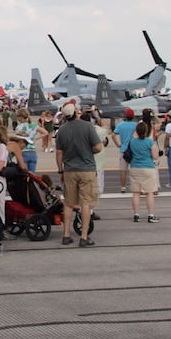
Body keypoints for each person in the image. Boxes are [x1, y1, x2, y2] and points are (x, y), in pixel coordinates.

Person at [54, 102, 102, 247]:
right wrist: (89, 150)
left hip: (69, 170)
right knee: (85, 203)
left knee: (68, 203)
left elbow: (58, 153)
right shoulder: (87, 127)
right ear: (75, 112)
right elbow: (98, 147)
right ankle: (84, 236)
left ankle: (66, 235)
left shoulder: (61, 130)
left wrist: (61, 170)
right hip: (86, 169)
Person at [128, 119, 160, 223]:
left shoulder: (132, 142)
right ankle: (150, 215)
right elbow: (155, 156)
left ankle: (136, 214)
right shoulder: (150, 142)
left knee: (136, 193)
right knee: (149, 192)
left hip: (135, 167)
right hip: (147, 167)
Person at [112, 108, 138, 193]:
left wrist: (117, 144)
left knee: (123, 169)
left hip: (124, 149)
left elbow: (113, 135)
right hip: (134, 149)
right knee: (134, 169)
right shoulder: (136, 125)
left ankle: (123, 187)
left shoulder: (121, 125)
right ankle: (135, 186)